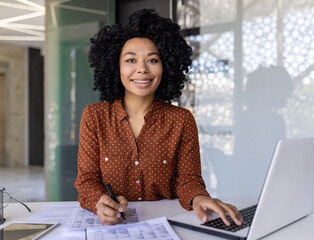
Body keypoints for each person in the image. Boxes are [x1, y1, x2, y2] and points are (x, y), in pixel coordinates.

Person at [74, 8, 242, 227]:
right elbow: (87, 180)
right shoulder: (94, 116)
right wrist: (100, 202)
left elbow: (188, 180)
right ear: (116, 67)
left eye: (152, 60)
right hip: (113, 227)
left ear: (165, 67)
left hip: (166, 225)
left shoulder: (181, 120)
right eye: (131, 60)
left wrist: (198, 197)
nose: (142, 69)